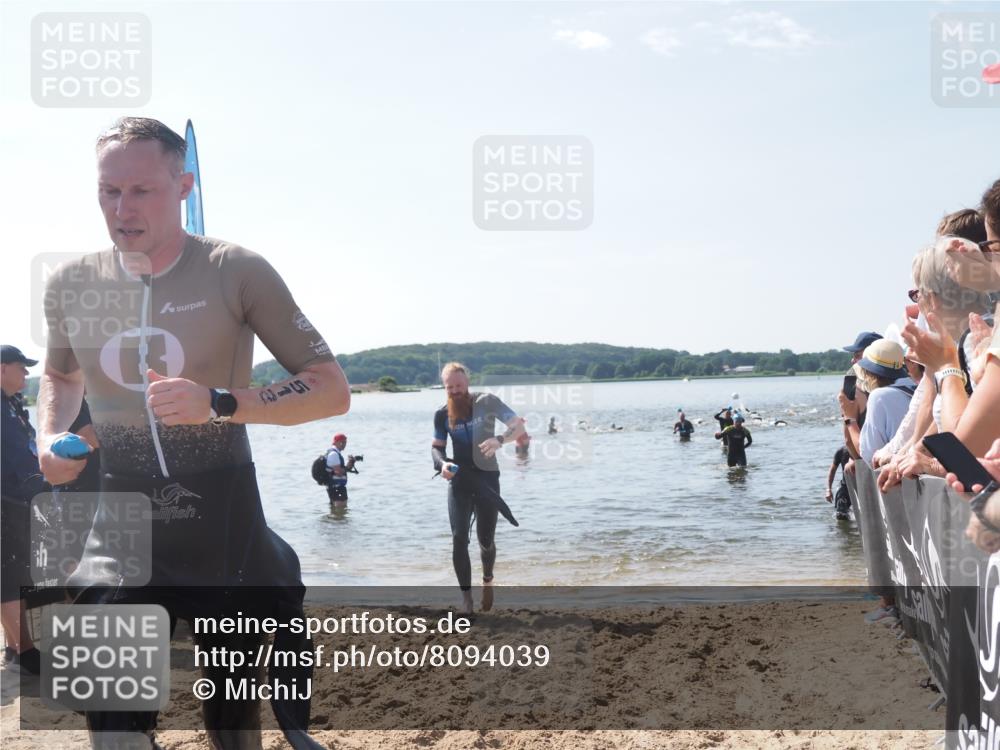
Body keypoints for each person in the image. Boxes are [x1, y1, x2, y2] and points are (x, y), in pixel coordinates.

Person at [36, 117, 350, 749]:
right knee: (111, 722)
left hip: (222, 524)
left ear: (183, 185)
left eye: (142, 191)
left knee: (232, 724)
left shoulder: (235, 269)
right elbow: (61, 378)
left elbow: (330, 388)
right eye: (108, 191)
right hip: (120, 522)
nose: (122, 209)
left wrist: (221, 403)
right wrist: (48, 436)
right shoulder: (71, 283)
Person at [431, 362, 524, 615]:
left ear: (467, 383)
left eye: (458, 386)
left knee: (485, 540)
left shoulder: (488, 402)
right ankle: (466, 600)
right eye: (449, 387)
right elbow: (437, 447)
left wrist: (500, 440)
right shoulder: (442, 414)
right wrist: (442, 464)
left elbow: (518, 427)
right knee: (459, 538)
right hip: (459, 480)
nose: (454, 391)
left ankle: (488, 580)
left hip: (487, 478)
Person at [1, 345, 44, 675]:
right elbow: (16, 458)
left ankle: (17, 647)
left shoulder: (11, 404)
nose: (27, 374)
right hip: (5, 501)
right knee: (10, 575)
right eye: (21, 367)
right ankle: (23, 651)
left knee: (14, 574)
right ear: (2, 369)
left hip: (15, 500)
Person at [840, 340, 915, 465]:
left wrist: (850, 419)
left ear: (869, 372)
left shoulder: (879, 396)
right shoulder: (919, 388)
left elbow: (869, 456)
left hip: (899, 478)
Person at [324, 433, 358, 507]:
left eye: (345, 442)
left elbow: (341, 470)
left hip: (335, 486)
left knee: (336, 512)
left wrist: (350, 464)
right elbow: (338, 472)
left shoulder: (335, 453)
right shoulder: (334, 454)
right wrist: (347, 467)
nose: (343, 444)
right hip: (336, 486)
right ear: (335, 442)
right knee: (341, 510)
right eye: (341, 442)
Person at [825, 446, 853, 520]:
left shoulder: (864, 450)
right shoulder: (841, 451)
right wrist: (829, 489)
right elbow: (832, 470)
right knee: (841, 515)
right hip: (846, 487)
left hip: (862, 486)